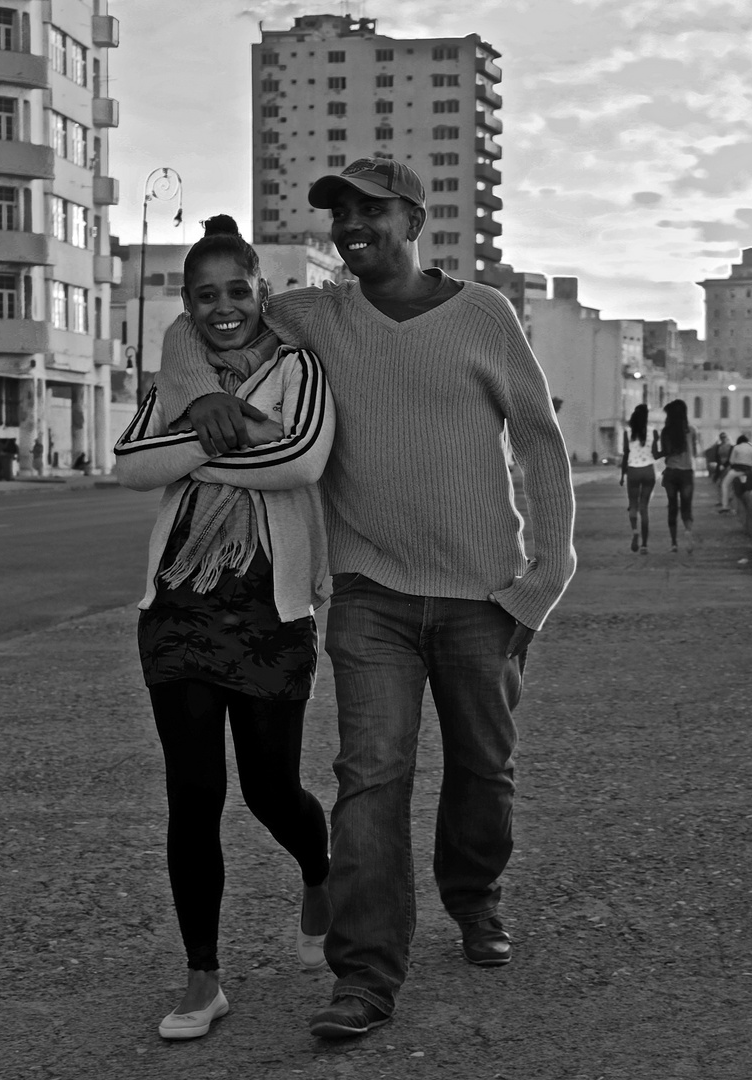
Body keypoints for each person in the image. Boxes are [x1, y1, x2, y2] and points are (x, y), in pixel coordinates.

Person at [155, 157, 577, 1041]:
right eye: (339, 213)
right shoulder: (317, 316)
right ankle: (365, 975)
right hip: (370, 594)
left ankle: (473, 896)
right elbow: (202, 322)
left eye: (370, 210)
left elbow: (540, 443)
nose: (351, 225)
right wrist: (196, 394)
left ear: (414, 217)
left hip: (482, 594)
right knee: (370, 779)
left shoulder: (485, 315)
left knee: (482, 773)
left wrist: (541, 579)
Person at [112, 216, 338, 1041]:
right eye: (205, 296)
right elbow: (131, 463)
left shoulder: (299, 369)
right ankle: (202, 976)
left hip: (269, 615)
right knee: (193, 796)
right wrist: (220, 426)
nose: (223, 307)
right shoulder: (178, 380)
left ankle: (320, 871)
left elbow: (302, 459)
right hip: (177, 611)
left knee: (271, 788)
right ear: (188, 304)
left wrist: (195, 441)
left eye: (237, 290)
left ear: (261, 292)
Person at [656, 400, 699, 553]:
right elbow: (695, 452)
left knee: (672, 506)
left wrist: (655, 447)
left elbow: (663, 453)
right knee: (687, 506)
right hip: (686, 473)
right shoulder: (691, 430)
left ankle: (674, 543)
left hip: (671, 473)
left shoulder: (666, 431)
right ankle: (688, 530)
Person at [619, 403, 657, 554]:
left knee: (633, 505)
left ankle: (635, 531)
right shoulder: (653, 431)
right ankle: (645, 545)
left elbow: (625, 455)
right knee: (644, 508)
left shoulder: (627, 432)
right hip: (648, 470)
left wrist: (622, 475)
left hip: (633, 471)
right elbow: (655, 452)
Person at [719, 434, 752, 512]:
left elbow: (731, 461)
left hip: (736, 471)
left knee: (725, 484)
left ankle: (725, 505)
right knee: (745, 488)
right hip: (748, 472)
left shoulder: (736, 447)